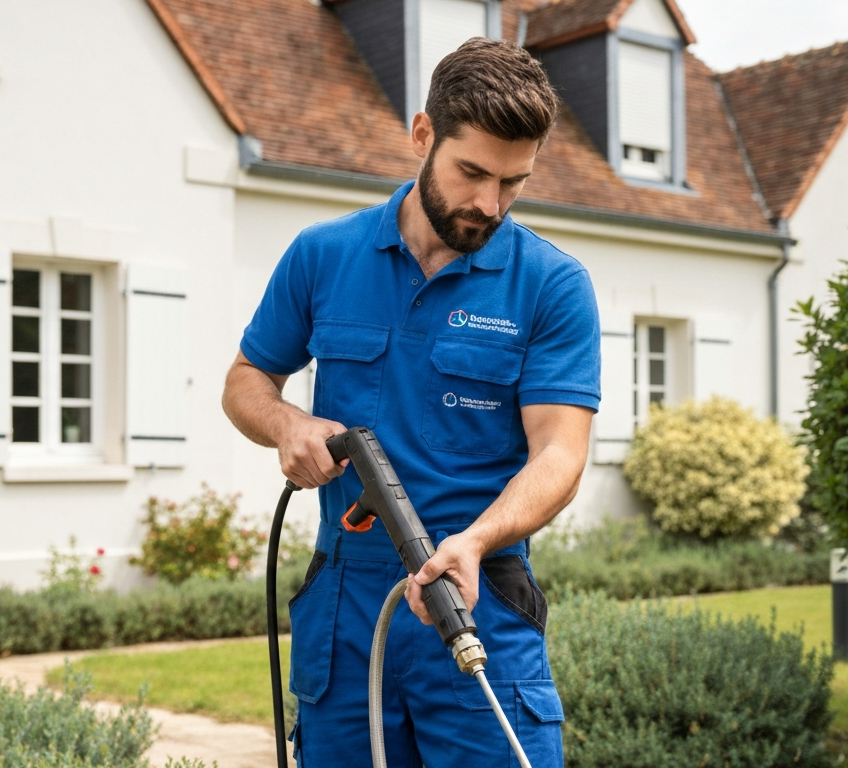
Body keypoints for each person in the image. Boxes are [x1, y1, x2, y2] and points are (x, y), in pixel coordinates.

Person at [221, 37, 601, 768]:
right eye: (472, 173)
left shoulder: (551, 285)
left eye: (513, 182)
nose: (489, 204)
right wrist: (287, 424)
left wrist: (477, 541)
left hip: (475, 591)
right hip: (344, 600)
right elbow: (245, 380)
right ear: (423, 134)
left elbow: (561, 454)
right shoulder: (323, 255)